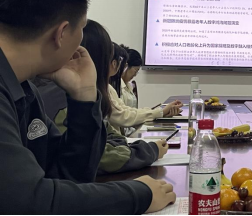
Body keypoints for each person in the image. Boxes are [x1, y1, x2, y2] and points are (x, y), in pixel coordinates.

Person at [0, 0, 175, 214]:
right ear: (61, 33)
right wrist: (138, 194)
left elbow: (69, 176)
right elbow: (28, 201)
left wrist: (84, 98)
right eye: (81, 28)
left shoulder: (25, 89)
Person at [36, 20, 169, 175]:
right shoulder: (64, 96)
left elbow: (107, 134)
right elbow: (101, 158)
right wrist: (149, 151)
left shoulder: (80, 92)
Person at [108, 45, 182, 135]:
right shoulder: (109, 87)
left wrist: (160, 112)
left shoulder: (111, 87)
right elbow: (124, 116)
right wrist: (160, 112)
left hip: (127, 132)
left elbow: (128, 111)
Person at [120, 45, 143, 109]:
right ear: (126, 66)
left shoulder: (129, 85)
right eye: (135, 70)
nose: (135, 75)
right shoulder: (117, 86)